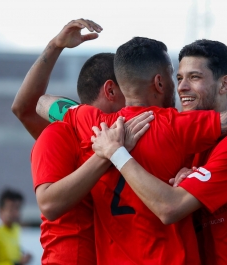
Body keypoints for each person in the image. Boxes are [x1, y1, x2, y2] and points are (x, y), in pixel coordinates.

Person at [60, 36, 227, 264]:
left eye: (194, 77)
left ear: (224, 84)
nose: (182, 87)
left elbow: (170, 207)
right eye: (179, 77)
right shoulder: (181, 140)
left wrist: (116, 153)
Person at [13, 19, 152, 264]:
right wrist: (56, 45)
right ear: (110, 91)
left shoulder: (131, 132)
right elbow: (26, 107)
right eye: (129, 91)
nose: (136, 102)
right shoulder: (63, 133)